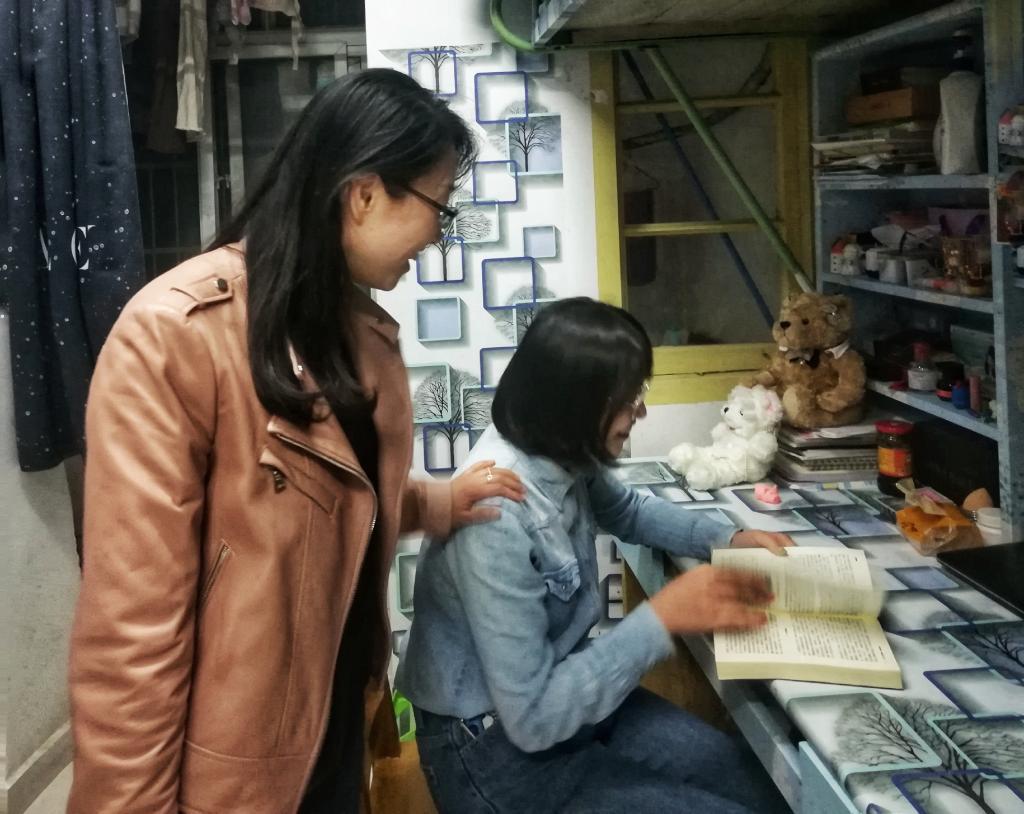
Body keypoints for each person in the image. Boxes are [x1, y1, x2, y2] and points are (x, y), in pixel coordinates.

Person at [67, 69, 525, 814]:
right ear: (364, 193)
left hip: (333, 726)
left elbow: (312, 510)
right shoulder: (176, 335)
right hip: (237, 771)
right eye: (439, 205)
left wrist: (435, 504)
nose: (439, 234)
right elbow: (131, 632)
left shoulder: (357, 333)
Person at [398, 297, 795, 814]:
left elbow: (628, 510)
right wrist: (663, 616)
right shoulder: (497, 512)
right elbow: (534, 718)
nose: (640, 413)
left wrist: (727, 539)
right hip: (492, 749)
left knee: (759, 787)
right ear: (575, 402)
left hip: (558, 695)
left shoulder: (557, 449)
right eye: (628, 400)